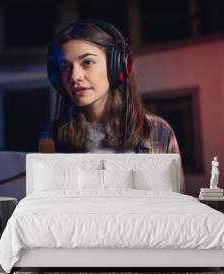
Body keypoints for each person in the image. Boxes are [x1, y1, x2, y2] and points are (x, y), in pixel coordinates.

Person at [39, 19, 184, 191]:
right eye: (65, 67)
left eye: (87, 62)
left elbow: (176, 206)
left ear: (116, 65)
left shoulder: (158, 131)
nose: (74, 76)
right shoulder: (52, 137)